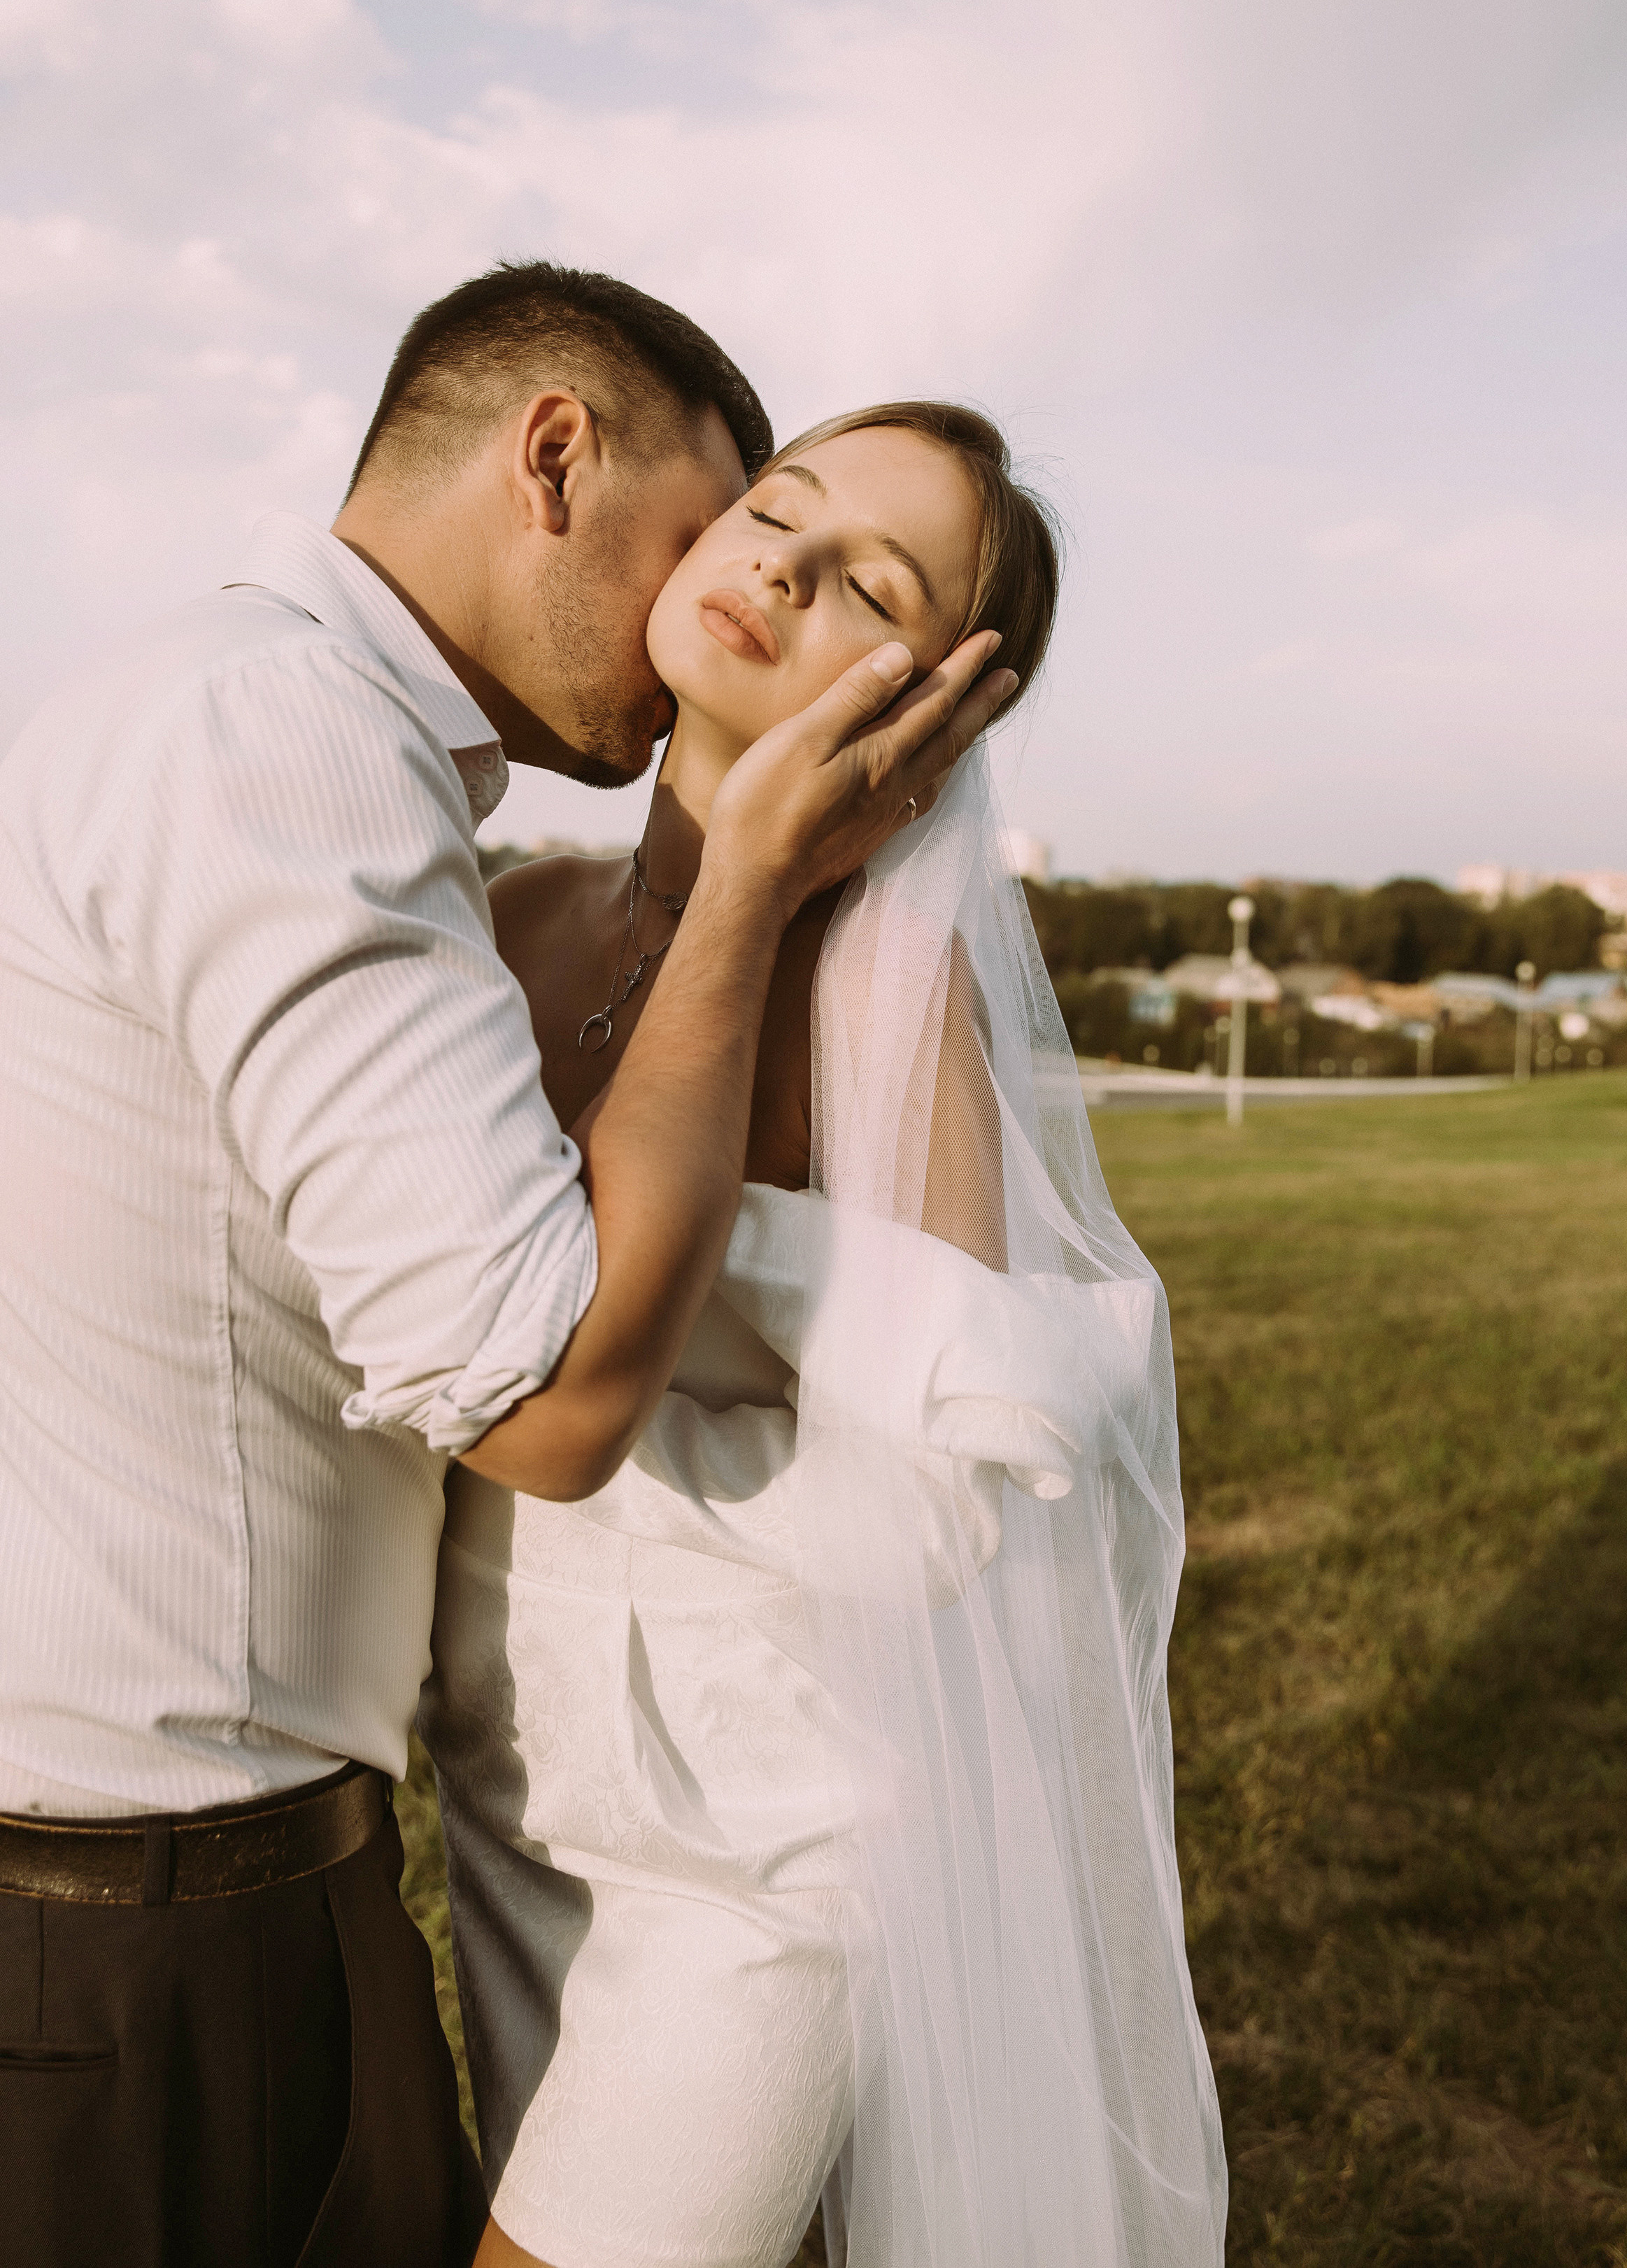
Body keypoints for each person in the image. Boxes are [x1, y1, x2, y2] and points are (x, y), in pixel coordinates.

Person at [0, 271, 1011, 2268]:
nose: (724, 589)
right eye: (739, 519)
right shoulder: (281, 745)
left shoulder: (305, 757)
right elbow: (541, 1392)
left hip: (561, 1861)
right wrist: (731, 889)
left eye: (848, 579)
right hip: (147, 1911)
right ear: (554, 456)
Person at [422, 404, 1228, 2268]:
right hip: (517, 1806)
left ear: (937, 709)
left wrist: (576, 1364)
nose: (780, 558)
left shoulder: (888, 1001)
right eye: (776, 507)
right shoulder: (507, 920)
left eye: (871, 575)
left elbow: (927, 1518)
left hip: (765, 1863)